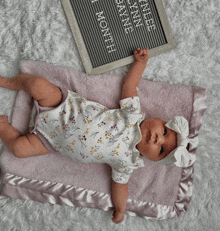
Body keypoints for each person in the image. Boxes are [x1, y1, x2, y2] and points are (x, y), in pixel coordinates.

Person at [0, 48, 194, 224]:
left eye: (161, 150)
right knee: (37, 84)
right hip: (62, 107)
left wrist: (121, 208)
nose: (158, 139)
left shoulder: (127, 162)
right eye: (165, 132)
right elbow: (130, 85)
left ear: (153, 159)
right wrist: (140, 64)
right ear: (160, 120)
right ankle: (10, 82)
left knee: (19, 149)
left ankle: (2, 125)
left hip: (50, 141)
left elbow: (120, 187)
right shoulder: (132, 113)